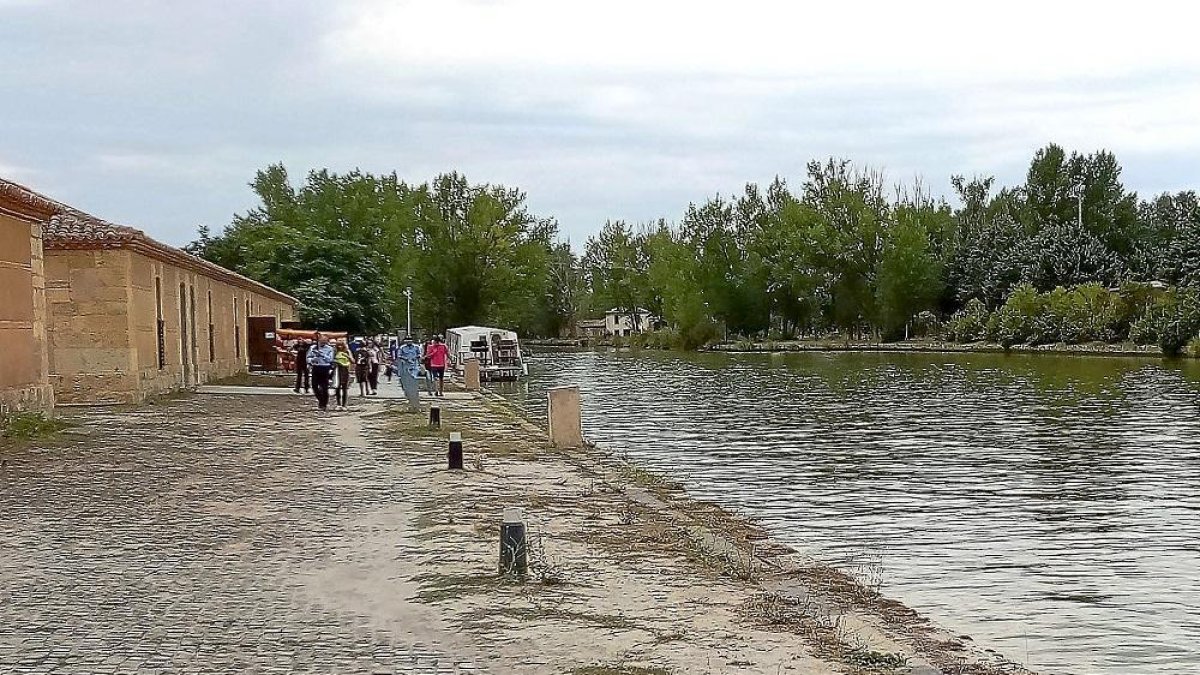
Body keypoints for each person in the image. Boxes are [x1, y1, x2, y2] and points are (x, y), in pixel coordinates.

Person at [306, 332, 334, 411]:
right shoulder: (313, 347)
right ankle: (321, 400)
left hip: (325, 367)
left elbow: (330, 359)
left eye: (324, 341)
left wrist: (321, 355)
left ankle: (324, 404)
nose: (322, 343)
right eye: (321, 341)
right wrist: (313, 359)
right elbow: (308, 358)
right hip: (316, 367)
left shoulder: (329, 349)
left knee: (324, 387)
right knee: (314, 386)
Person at [333, 340, 352, 410]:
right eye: (338, 345)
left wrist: (347, 356)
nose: (340, 347)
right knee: (337, 387)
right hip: (337, 370)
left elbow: (353, 361)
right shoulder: (335, 352)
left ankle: (344, 405)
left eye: (341, 345)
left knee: (344, 388)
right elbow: (332, 360)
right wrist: (335, 361)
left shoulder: (347, 351)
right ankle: (338, 404)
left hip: (345, 370)